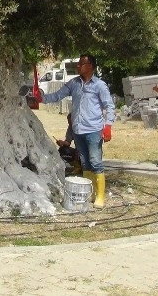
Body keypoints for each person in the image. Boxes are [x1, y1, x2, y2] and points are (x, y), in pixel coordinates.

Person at [38, 53, 115, 208]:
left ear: (91, 66)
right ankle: (90, 193)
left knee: (95, 161)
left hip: (93, 130)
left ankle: (100, 196)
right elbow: (57, 96)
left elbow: (109, 106)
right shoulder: (74, 83)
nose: (79, 66)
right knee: (85, 163)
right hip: (78, 130)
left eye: (82, 63)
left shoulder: (99, 85)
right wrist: (41, 97)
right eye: (79, 63)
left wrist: (108, 126)